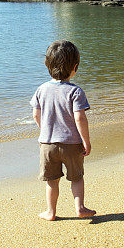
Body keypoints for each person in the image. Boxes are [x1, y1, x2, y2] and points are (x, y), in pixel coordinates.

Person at [30, 40, 96, 221]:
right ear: (75, 67)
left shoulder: (41, 90)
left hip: (47, 145)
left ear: (48, 66)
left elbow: (36, 115)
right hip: (71, 144)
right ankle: (80, 208)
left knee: (52, 180)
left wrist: (46, 131)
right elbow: (79, 118)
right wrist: (86, 141)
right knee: (76, 178)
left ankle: (50, 212)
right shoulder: (75, 92)